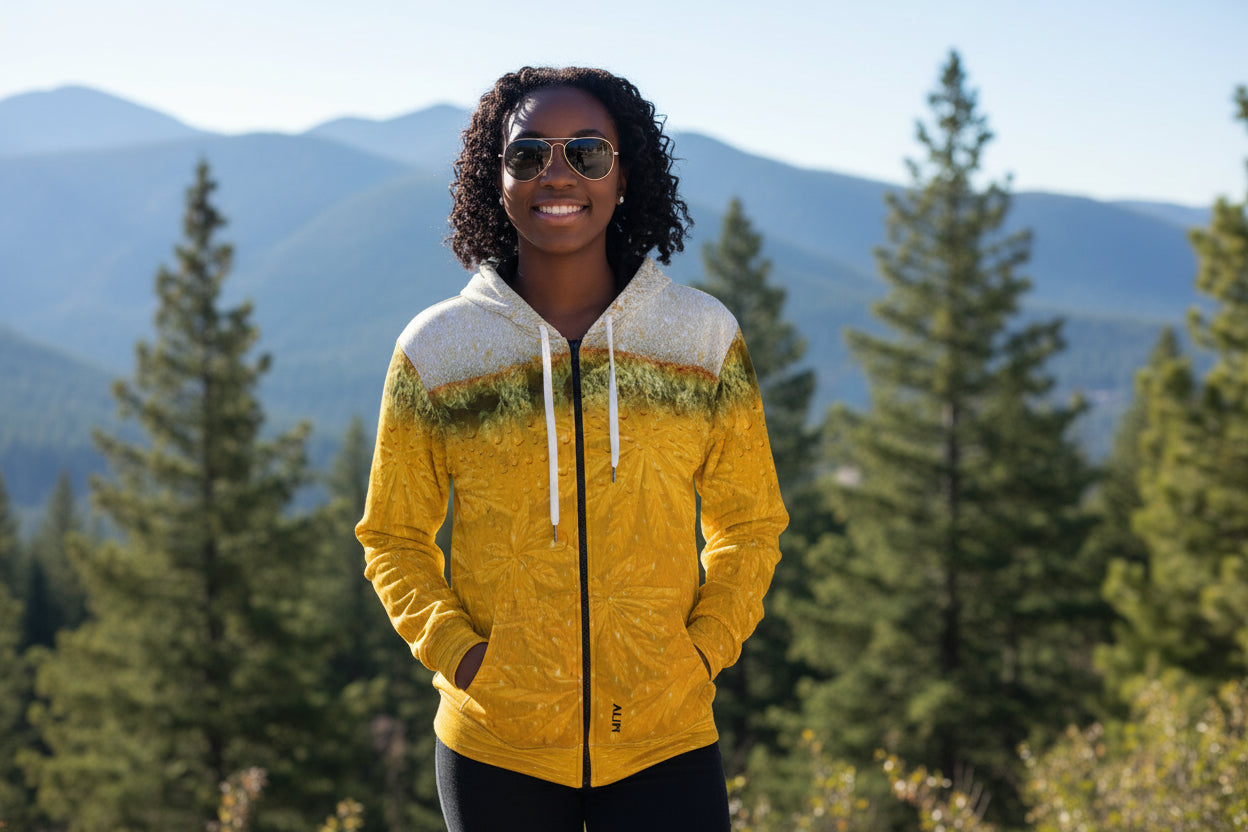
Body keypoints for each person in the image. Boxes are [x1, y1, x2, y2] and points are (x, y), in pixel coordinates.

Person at [356, 66, 788, 831]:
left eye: (587, 154)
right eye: (529, 156)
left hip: (667, 739)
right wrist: (463, 658)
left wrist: (700, 654)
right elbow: (393, 538)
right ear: (496, 180)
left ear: (625, 179)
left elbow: (749, 525)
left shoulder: (700, 337)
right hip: (496, 747)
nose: (557, 174)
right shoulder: (439, 350)